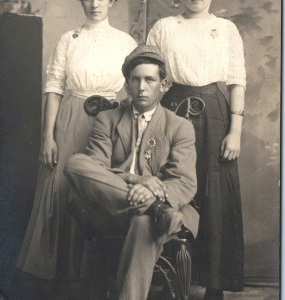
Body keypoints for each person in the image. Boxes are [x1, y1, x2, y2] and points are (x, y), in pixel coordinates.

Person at [17, 0, 137, 292]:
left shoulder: (125, 41)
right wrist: (48, 136)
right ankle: (62, 273)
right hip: (70, 119)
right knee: (61, 186)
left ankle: (93, 272)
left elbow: (136, 89)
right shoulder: (68, 39)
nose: (95, 4)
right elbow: (54, 88)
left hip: (110, 120)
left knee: (99, 187)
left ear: (112, 2)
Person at [63, 45, 200, 300]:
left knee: (143, 221)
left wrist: (153, 194)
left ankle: (152, 210)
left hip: (163, 207)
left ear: (164, 84)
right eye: (135, 80)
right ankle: (155, 209)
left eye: (149, 79)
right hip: (112, 210)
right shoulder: (107, 119)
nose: (142, 87)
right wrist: (139, 181)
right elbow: (96, 170)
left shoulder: (180, 126)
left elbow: (183, 181)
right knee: (75, 163)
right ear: (127, 84)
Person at [147, 0, 246, 299]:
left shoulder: (226, 28)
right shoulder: (164, 28)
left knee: (213, 194)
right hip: (172, 109)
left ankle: (214, 283)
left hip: (214, 113)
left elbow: (237, 80)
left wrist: (235, 131)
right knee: (171, 186)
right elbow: (150, 75)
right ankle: (168, 276)